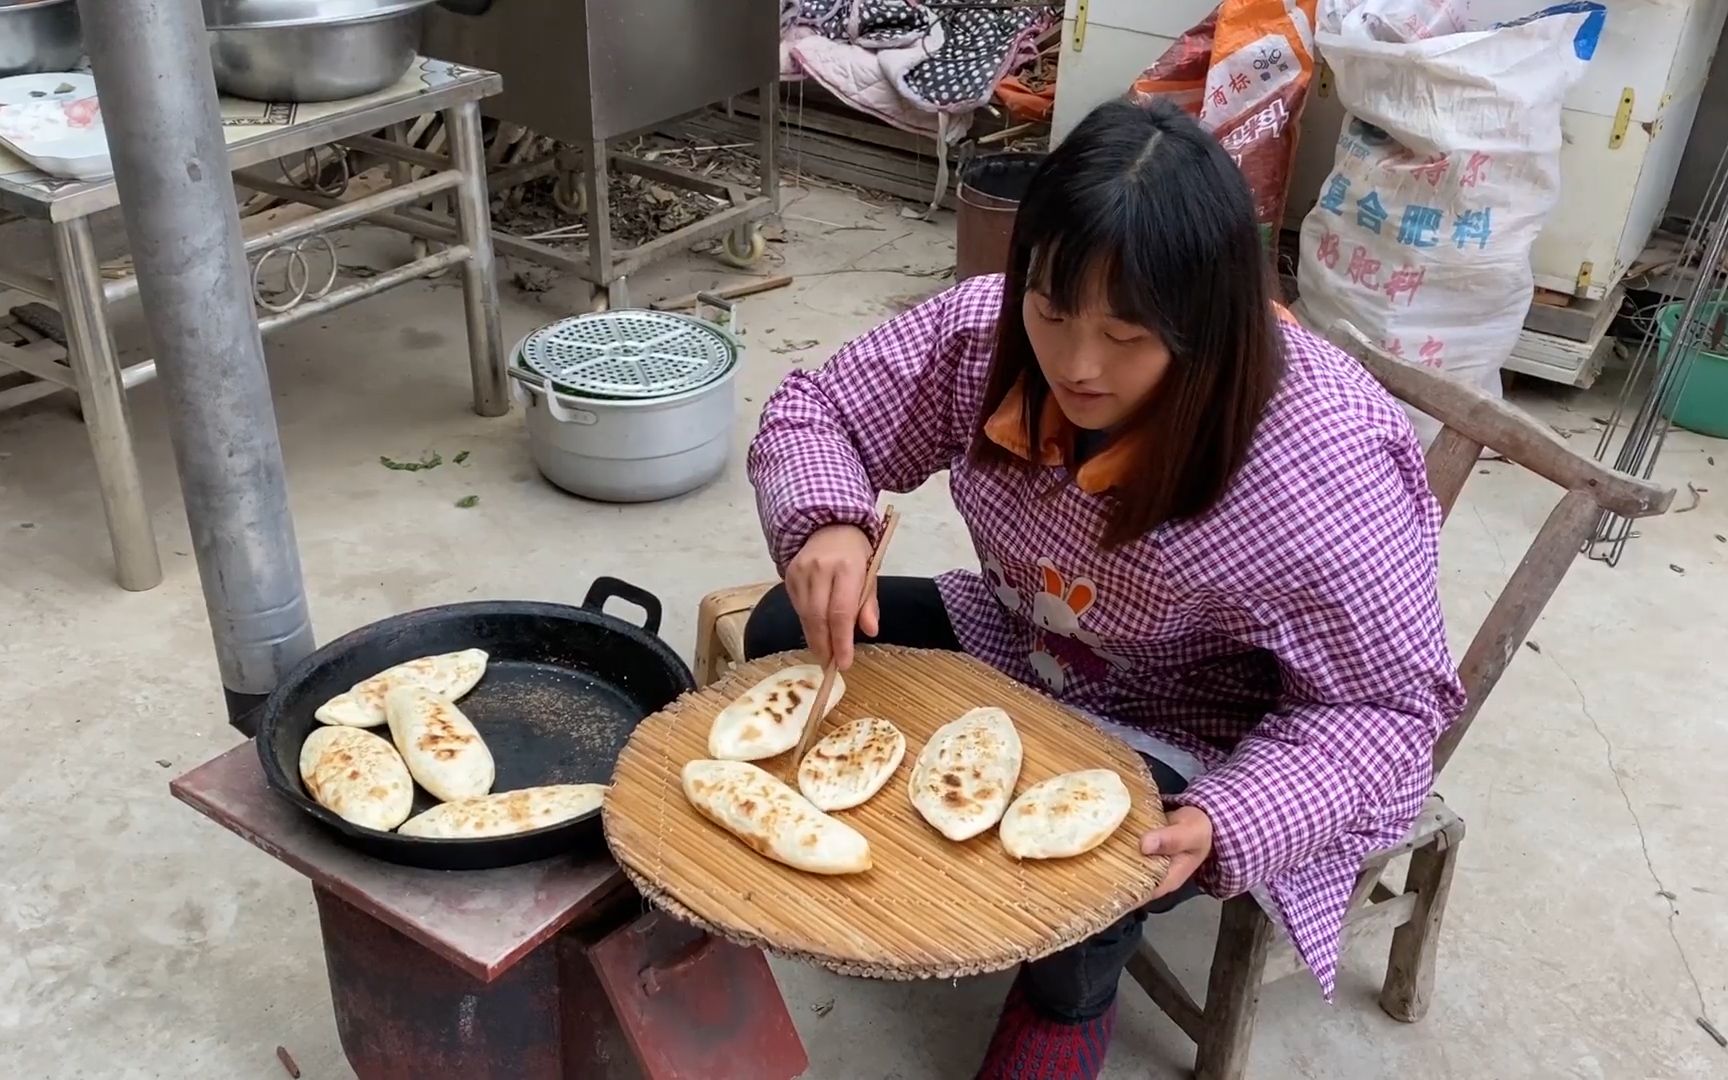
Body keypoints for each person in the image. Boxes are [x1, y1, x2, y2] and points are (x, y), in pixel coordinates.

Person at [743, 98, 1465, 1079]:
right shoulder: (983, 336)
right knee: (791, 630)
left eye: (1127, 335)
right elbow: (821, 411)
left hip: (1200, 727)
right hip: (1024, 638)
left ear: (1207, 321)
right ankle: (910, 875)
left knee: (1097, 859)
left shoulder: (1322, 461)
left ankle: (1066, 999)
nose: (1077, 365)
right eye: (1052, 312)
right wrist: (827, 517)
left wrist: (1233, 816)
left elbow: (1384, 711)